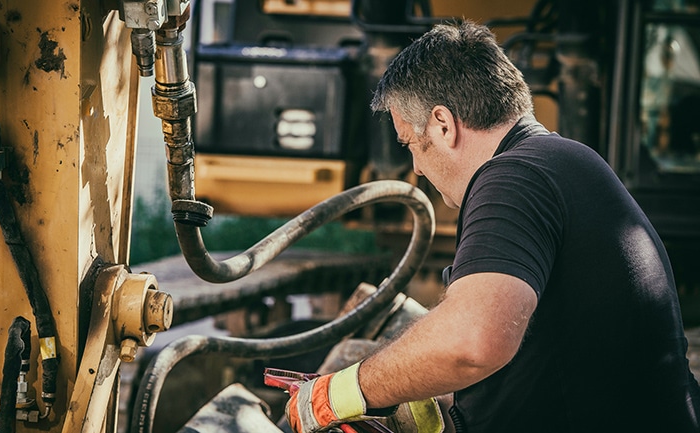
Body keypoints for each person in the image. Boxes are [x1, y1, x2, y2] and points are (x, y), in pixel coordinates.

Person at [285, 20, 700, 433]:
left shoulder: (515, 176)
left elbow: (473, 342)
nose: (415, 167)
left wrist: (336, 394)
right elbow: (546, 349)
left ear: (444, 125)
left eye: (410, 143)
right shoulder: (557, 162)